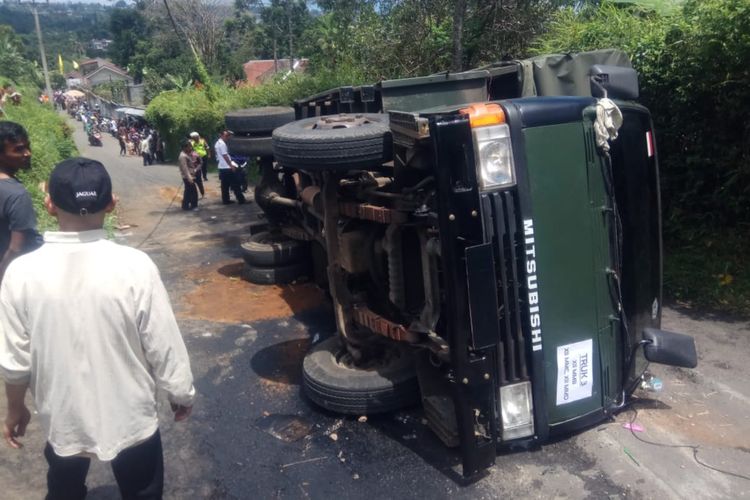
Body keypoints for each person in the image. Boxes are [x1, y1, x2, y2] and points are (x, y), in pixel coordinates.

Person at [0, 157, 195, 500]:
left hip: (63, 417)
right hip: (132, 418)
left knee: (64, 488)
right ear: (111, 203)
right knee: (143, 491)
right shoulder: (135, 266)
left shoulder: (21, 273)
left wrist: (15, 408)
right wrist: (180, 392)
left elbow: (15, 362)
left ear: (48, 204)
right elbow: (162, 343)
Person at [0, 122, 42, 283]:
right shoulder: (17, 195)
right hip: (16, 277)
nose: (28, 153)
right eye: (18, 149)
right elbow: (17, 248)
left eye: (27, 147)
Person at [214, 129, 245, 205]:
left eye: (228, 136)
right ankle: (241, 199)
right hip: (227, 167)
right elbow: (225, 155)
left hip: (222, 167)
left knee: (225, 185)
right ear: (221, 135)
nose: (227, 137)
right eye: (226, 136)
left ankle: (226, 200)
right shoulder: (222, 144)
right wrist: (231, 165)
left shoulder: (217, 143)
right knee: (235, 184)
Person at [178, 139, 198, 211]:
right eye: (189, 147)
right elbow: (184, 168)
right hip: (188, 177)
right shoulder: (182, 156)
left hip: (189, 175)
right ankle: (193, 206)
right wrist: (189, 178)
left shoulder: (186, 154)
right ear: (184, 147)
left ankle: (185, 205)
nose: (191, 148)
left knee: (188, 191)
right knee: (193, 192)